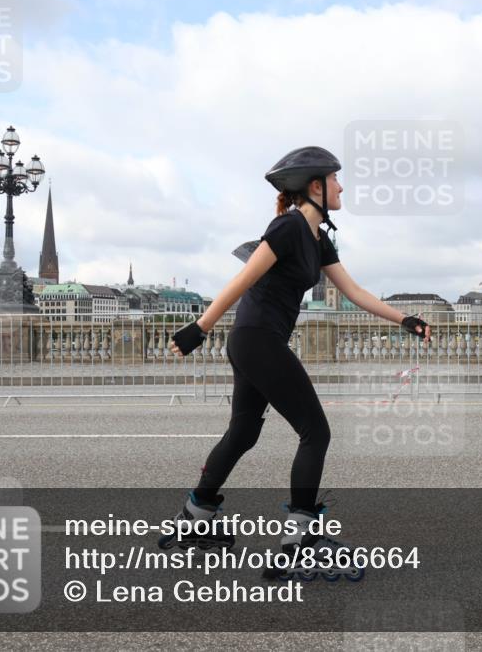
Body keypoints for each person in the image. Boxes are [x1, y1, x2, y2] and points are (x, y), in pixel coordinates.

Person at [160, 146, 431, 579]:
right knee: (316, 431)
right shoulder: (287, 228)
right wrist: (200, 328)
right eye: (336, 179)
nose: (343, 187)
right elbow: (243, 278)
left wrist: (405, 319)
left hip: (254, 341)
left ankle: (196, 516)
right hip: (258, 340)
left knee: (244, 432)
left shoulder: (318, 237)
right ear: (315, 186)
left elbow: (354, 292)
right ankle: (298, 541)